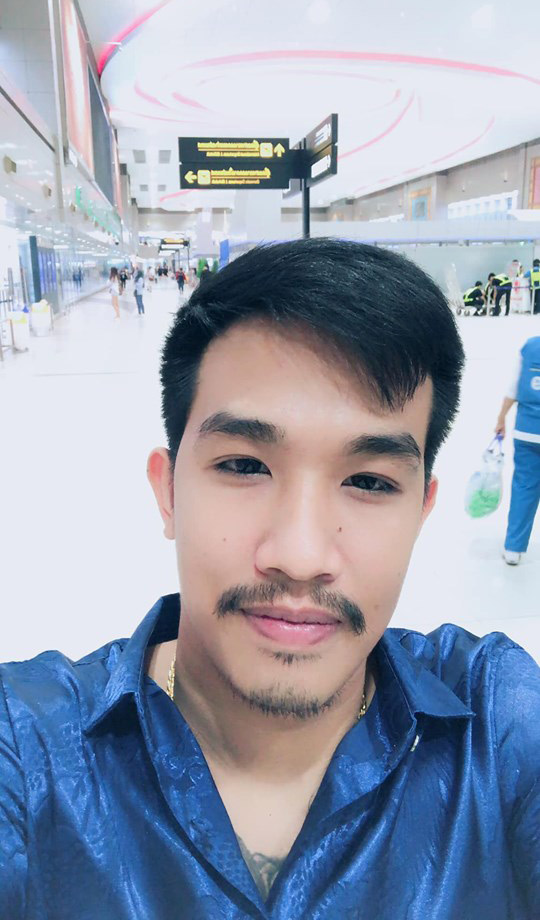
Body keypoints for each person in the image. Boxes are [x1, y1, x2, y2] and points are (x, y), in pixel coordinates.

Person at [0, 240, 538, 919]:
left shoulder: (498, 727)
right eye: (245, 466)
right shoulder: (30, 751)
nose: (302, 555)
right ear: (168, 493)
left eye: (369, 481)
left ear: (421, 514)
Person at [495, 334, 540, 566]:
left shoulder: (530, 347)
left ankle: (513, 548)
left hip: (527, 430)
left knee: (524, 487)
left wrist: (501, 418)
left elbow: (513, 388)